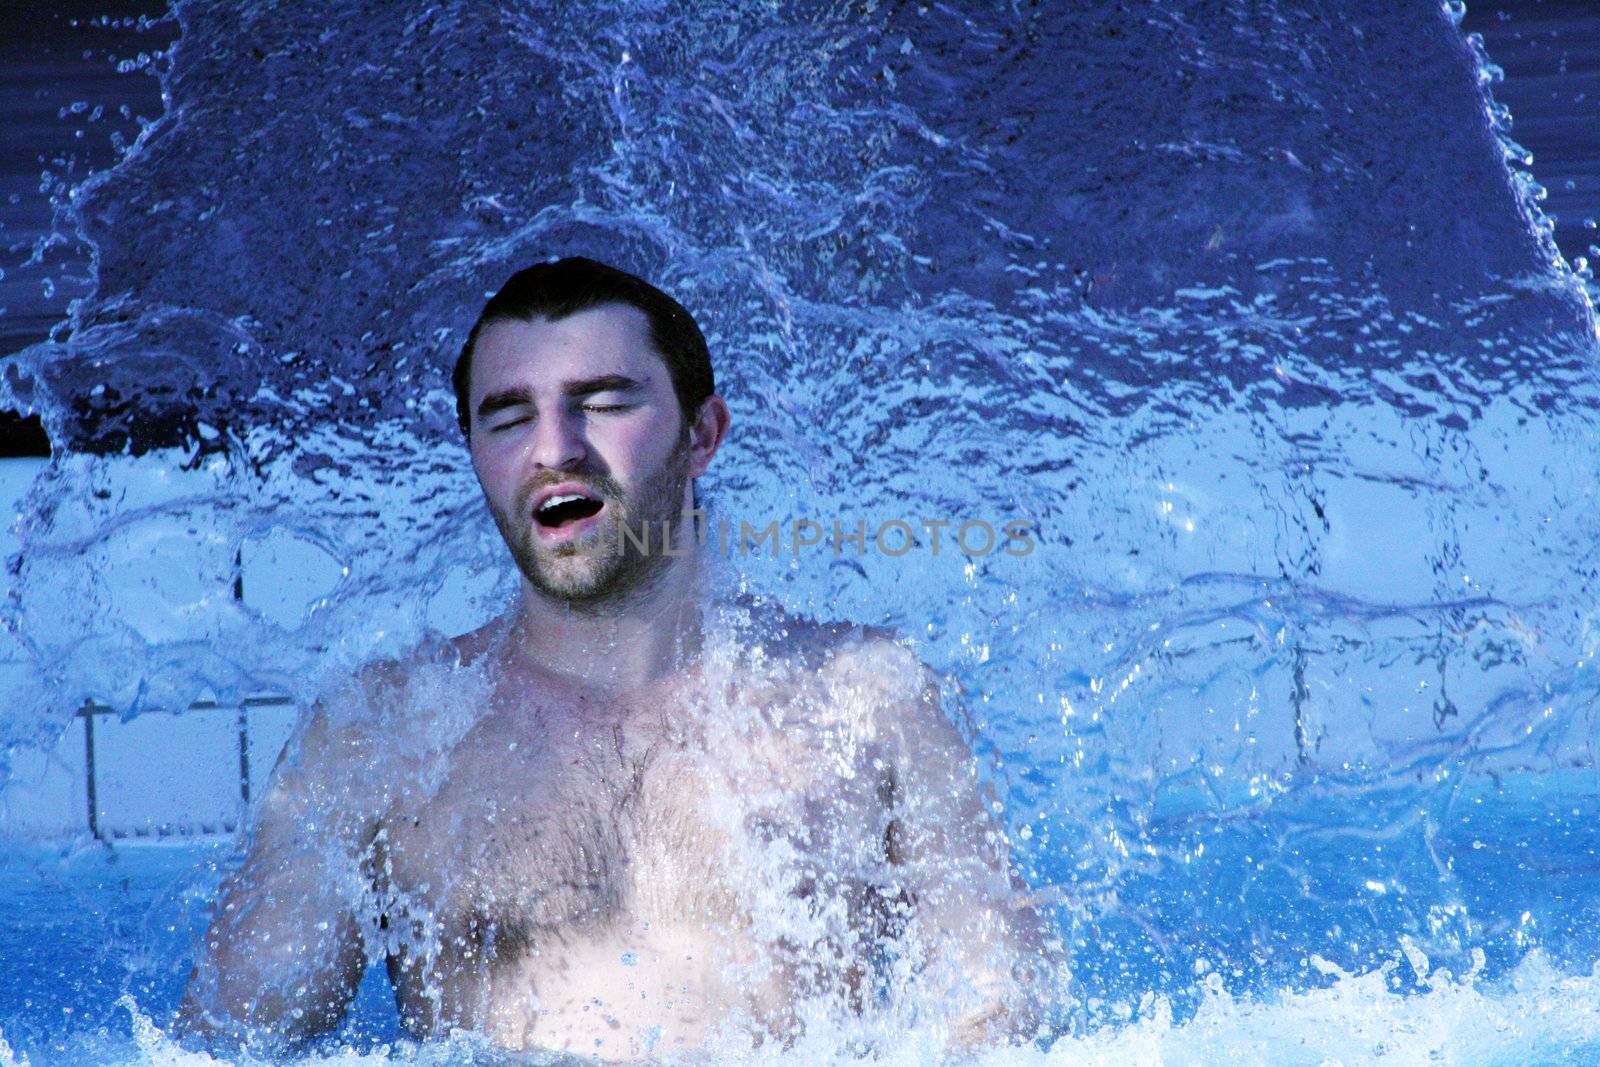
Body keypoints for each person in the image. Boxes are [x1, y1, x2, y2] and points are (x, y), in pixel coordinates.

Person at [174, 257, 1052, 1061]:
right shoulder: (385, 737)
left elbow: (1000, 1024)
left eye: (603, 403)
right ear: (477, 456)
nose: (555, 448)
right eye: (509, 416)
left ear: (702, 434)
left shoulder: (868, 702)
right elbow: (225, 1046)